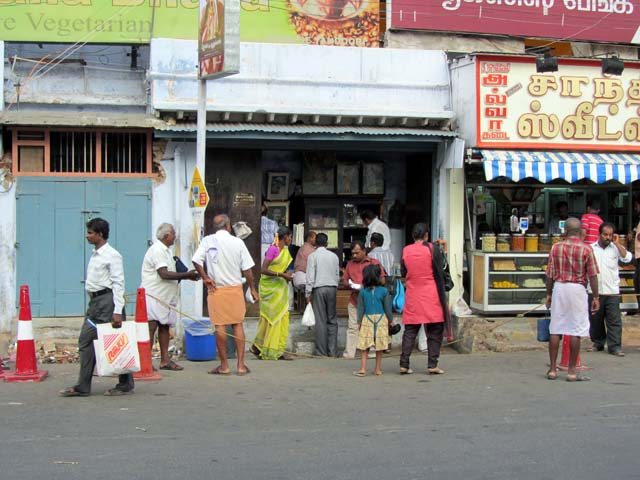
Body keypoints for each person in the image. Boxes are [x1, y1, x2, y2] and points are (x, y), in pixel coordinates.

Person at [60, 218, 134, 397]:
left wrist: (117, 311)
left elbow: (118, 283)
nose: (87, 236)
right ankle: (83, 385)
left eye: (91, 232)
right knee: (86, 341)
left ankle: (125, 383)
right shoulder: (95, 254)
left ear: (100, 234)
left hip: (107, 303)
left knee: (117, 341)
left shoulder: (112, 255)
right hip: (95, 304)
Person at [192, 214, 258, 376]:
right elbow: (248, 270)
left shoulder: (208, 241)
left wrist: (206, 278)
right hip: (235, 288)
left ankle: (224, 366)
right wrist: (253, 288)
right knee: (237, 324)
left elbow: (196, 261)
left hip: (216, 289)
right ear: (228, 226)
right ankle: (241, 366)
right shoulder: (238, 242)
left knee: (220, 326)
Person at [545, 217, 600, 382]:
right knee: (576, 329)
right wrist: (596, 296)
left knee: (556, 328)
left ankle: (553, 369)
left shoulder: (556, 247)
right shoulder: (586, 249)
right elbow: (593, 275)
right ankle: (571, 371)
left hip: (559, 288)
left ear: (566, 231)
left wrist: (548, 294)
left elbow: (549, 274)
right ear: (581, 231)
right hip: (577, 289)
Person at [140, 223, 199, 371]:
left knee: (164, 327)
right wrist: (187, 275)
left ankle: (165, 360)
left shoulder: (166, 251)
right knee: (151, 327)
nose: (175, 237)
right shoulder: (157, 250)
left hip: (165, 296)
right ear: (167, 236)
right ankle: (145, 362)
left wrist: (187, 275)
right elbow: (164, 273)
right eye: (173, 234)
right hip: (154, 295)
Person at [399, 223, 449, 375]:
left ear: (413, 235)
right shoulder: (433, 249)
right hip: (431, 293)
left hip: (413, 293)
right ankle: (432, 364)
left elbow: (403, 271)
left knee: (410, 330)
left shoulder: (406, 250)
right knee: (435, 330)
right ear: (426, 235)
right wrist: (443, 251)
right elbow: (442, 268)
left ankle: (404, 364)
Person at [251, 226, 295, 360]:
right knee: (270, 318)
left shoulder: (285, 250)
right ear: (285, 236)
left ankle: (275, 349)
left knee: (282, 317)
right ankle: (267, 349)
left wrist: (286, 274)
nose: (291, 239)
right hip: (269, 288)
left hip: (280, 288)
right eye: (290, 237)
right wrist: (281, 275)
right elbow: (263, 269)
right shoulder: (273, 249)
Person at [588, 222, 631, 356]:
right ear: (599, 234)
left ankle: (615, 347)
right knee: (595, 320)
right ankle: (598, 343)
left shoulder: (615, 248)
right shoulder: (590, 248)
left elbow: (627, 258)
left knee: (614, 321)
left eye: (610, 235)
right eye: (605, 234)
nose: (608, 237)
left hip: (612, 291)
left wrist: (617, 243)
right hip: (594, 291)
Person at [342, 241, 385, 358]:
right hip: (355, 300)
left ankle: (371, 351)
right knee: (352, 327)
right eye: (353, 253)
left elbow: (382, 280)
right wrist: (351, 285)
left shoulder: (374, 263)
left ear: (364, 251)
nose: (354, 256)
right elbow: (344, 280)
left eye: (357, 253)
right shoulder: (350, 264)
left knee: (371, 326)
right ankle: (349, 353)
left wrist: (369, 285)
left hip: (370, 301)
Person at [353, 264, 393, 377]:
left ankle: (362, 368)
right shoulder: (384, 291)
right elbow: (387, 308)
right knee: (379, 346)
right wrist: (391, 321)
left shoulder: (363, 292)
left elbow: (360, 308)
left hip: (367, 319)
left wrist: (359, 322)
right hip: (381, 320)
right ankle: (378, 369)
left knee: (364, 346)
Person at [306, 233, 340, 356]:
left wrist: (308, 293)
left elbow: (310, 276)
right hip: (332, 288)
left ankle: (321, 351)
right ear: (326, 243)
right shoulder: (334, 256)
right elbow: (337, 275)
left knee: (320, 320)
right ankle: (333, 351)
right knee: (332, 319)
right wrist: (334, 286)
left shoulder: (312, 256)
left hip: (318, 288)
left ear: (315, 243)